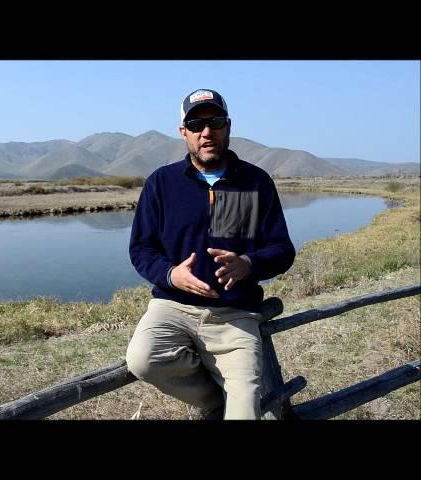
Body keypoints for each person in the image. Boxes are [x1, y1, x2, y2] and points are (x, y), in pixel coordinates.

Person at [125, 88, 295, 420]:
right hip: (171, 307)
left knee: (245, 410)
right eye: (196, 124)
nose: (207, 132)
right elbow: (141, 249)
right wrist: (172, 274)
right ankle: (216, 401)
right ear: (183, 132)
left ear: (228, 126)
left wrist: (248, 264)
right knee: (142, 360)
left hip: (234, 315)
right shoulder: (162, 183)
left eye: (215, 122)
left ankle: (230, 405)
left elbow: (281, 249)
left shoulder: (254, 181)